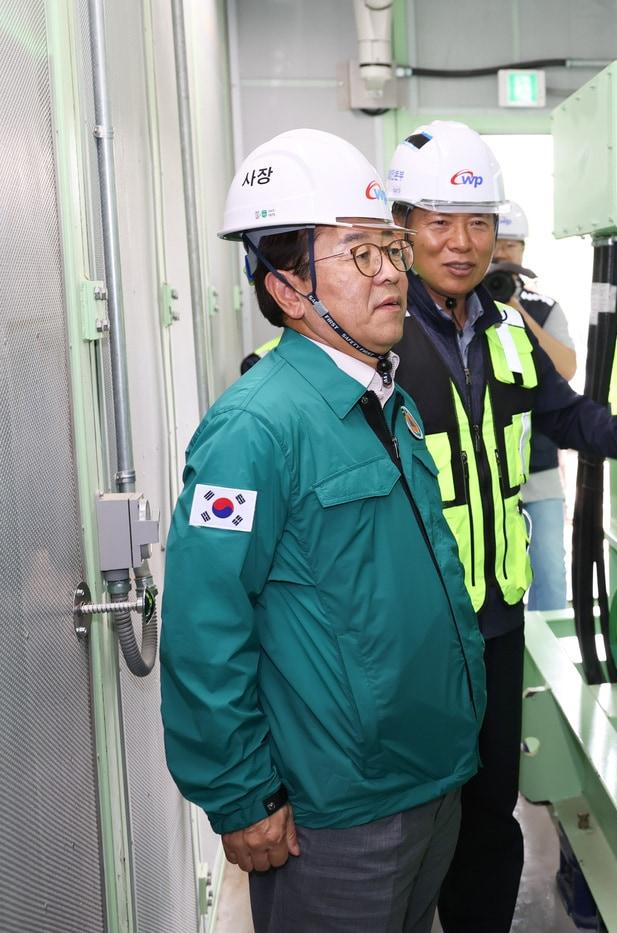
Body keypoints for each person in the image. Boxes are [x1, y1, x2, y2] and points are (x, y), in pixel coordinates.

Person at [160, 128, 487, 933]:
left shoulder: (386, 398)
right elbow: (205, 627)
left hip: (433, 780)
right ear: (286, 288)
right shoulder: (253, 429)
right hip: (341, 817)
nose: (390, 276)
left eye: (389, 251)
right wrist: (243, 795)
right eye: (360, 256)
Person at [385, 120, 617, 932]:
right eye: (440, 222)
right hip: (408, 624)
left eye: (479, 223)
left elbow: (563, 414)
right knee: (411, 815)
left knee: (492, 806)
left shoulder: (503, 322)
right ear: (403, 229)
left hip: (495, 616)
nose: (462, 243)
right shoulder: (374, 335)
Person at [491, 200, 571, 611]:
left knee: (552, 586)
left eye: (513, 244)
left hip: (538, 472)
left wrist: (516, 308)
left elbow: (565, 368)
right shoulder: (454, 310)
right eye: (497, 243)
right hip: (483, 481)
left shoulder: (542, 308)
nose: (503, 253)